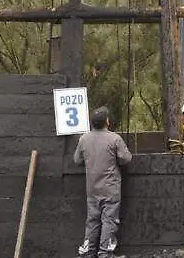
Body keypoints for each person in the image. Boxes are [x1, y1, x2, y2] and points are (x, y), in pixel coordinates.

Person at [74, 107, 133, 258]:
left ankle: (88, 252)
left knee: (92, 221)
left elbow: (77, 160)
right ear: (107, 121)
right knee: (109, 220)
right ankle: (105, 253)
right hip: (110, 188)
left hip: (92, 188)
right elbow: (126, 159)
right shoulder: (114, 139)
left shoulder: (83, 139)